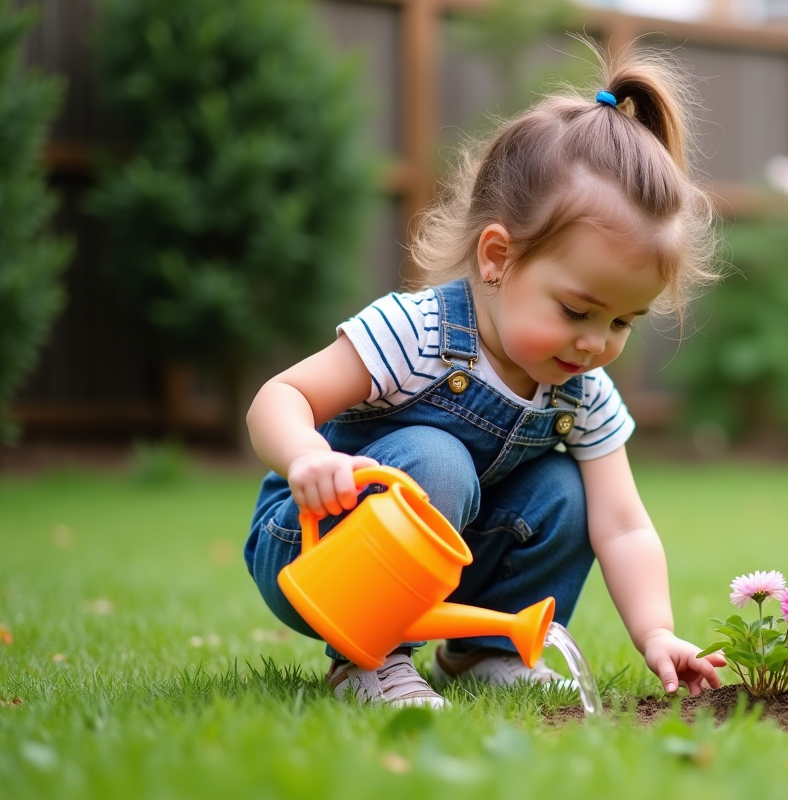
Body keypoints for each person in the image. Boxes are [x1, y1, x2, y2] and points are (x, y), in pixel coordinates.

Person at [243, 43, 726, 709]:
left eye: (623, 322)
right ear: (498, 256)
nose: (595, 343)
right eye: (577, 310)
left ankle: (485, 649)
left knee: (568, 491)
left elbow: (622, 524)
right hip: (314, 548)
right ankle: (367, 659)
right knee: (437, 459)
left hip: (445, 565)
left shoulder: (582, 391)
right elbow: (280, 396)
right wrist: (305, 456)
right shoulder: (418, 332)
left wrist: (658, 632)